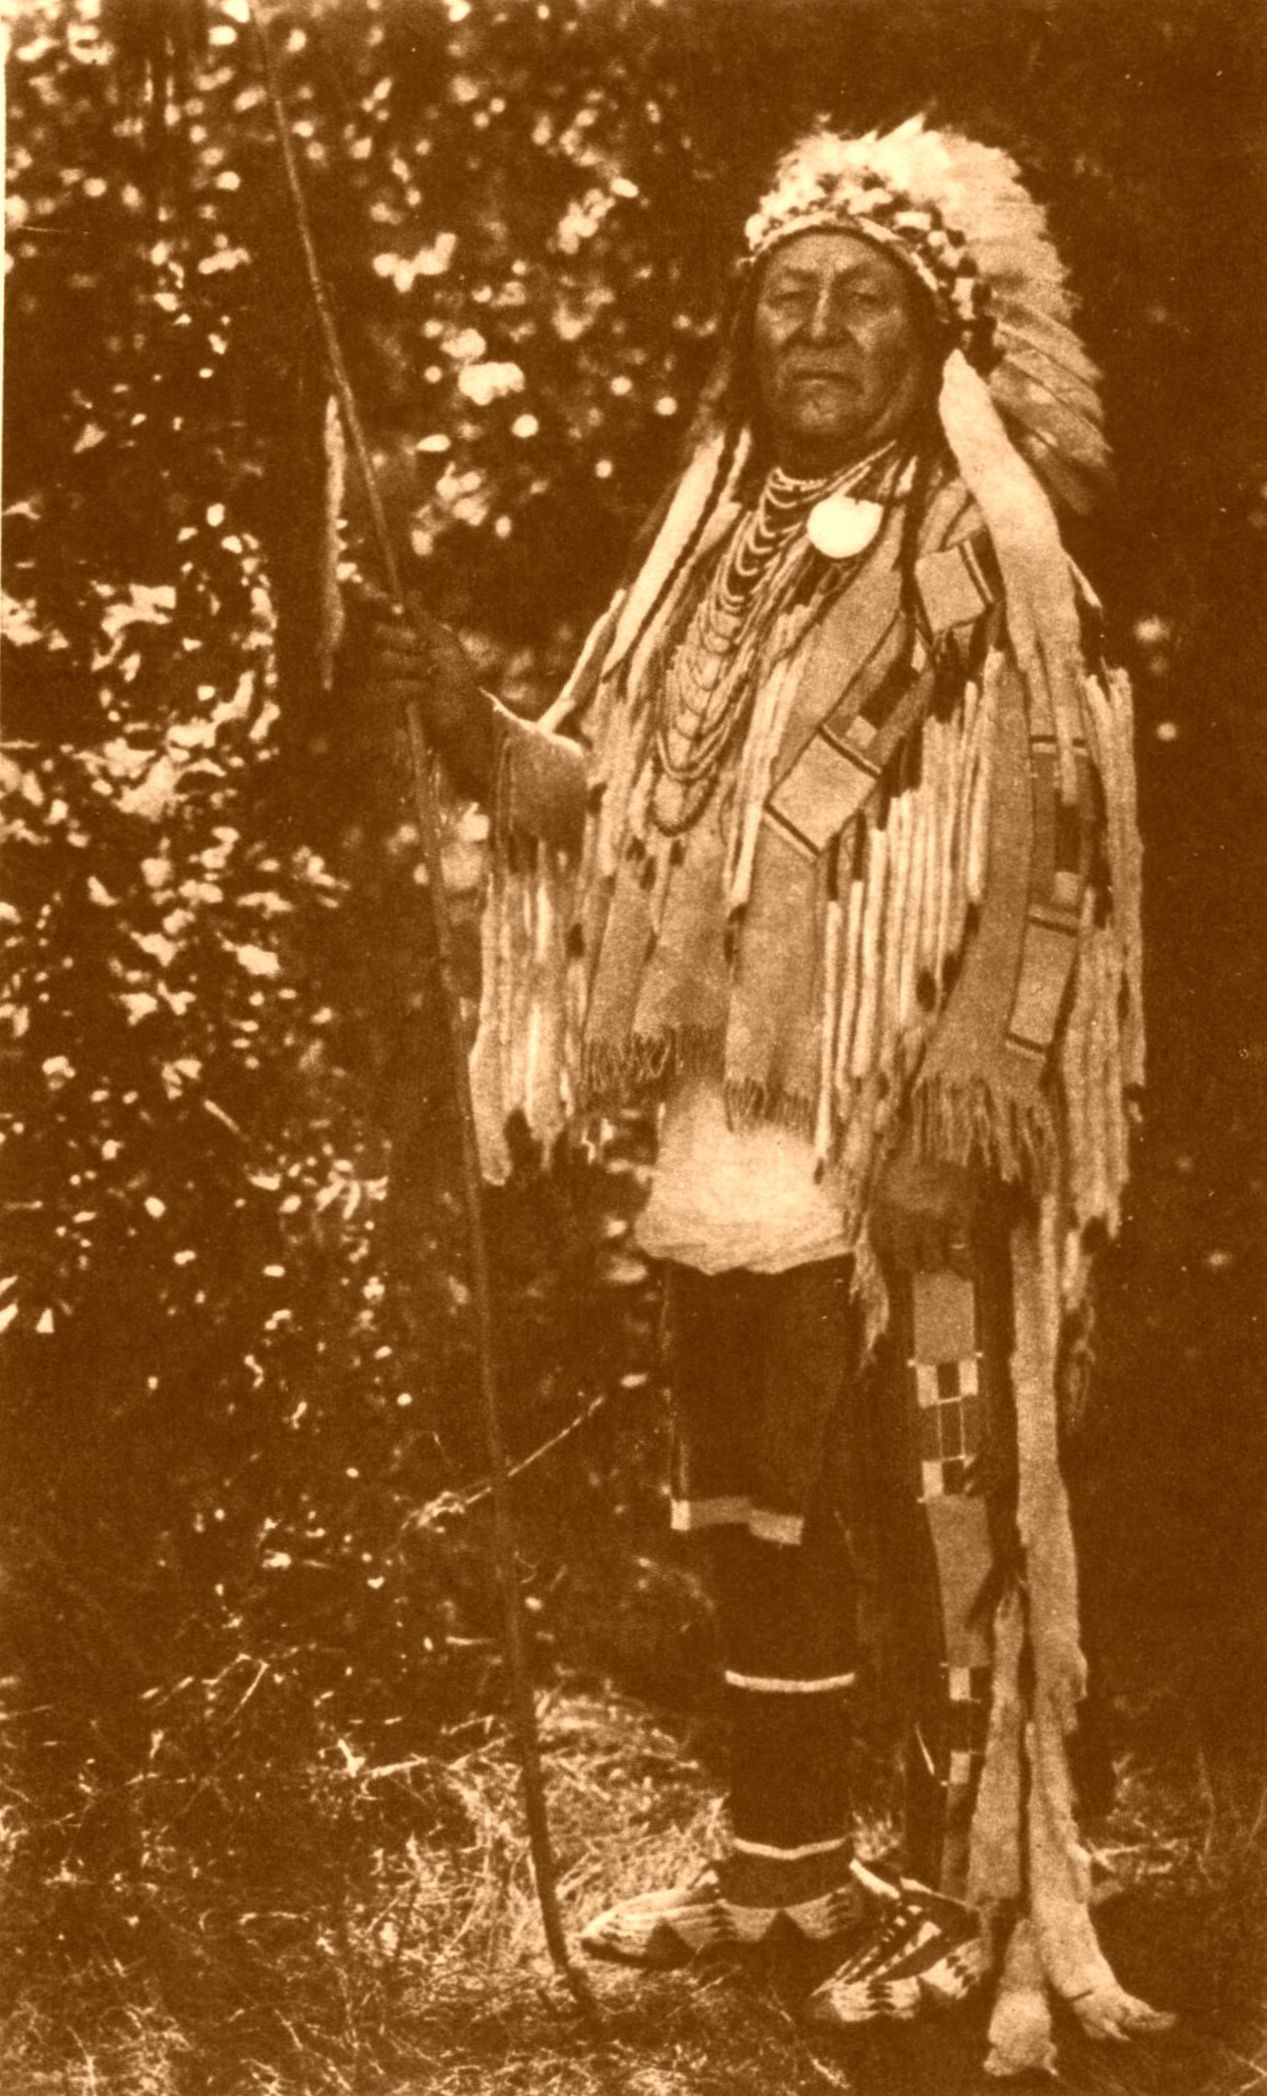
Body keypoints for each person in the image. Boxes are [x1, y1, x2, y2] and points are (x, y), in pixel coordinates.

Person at [367, 121, 1172, 2071]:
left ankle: (977, 1896)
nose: (814, 329)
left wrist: (980, 1074)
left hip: (906, 1119)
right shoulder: (714, 546)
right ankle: (788, 1865)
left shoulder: (979, 550)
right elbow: (618, 804)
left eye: (859, 301)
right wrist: (472, 722)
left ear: (934, 336)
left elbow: (1059, 831)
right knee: (750, 1502)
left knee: (932, 1498)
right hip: (731, 1116)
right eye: (786, 297)